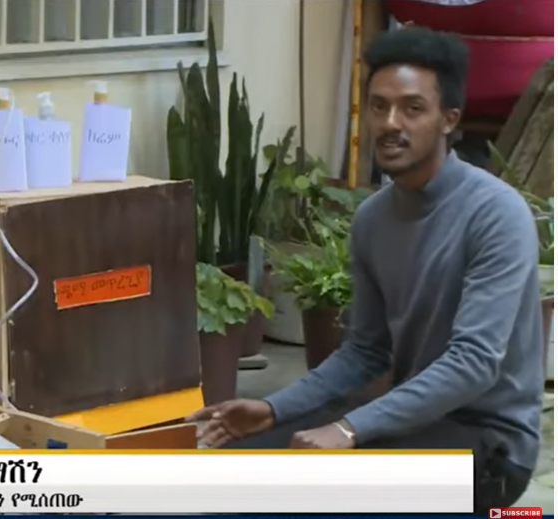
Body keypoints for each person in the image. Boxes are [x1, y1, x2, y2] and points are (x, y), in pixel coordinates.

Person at [187, 26, 543, 512]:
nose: (391, 123)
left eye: (412, 108)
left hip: (489, 446)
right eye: (379, 106)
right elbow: (365, 351)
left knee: (316, 491)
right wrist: (273, 408)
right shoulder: (373, 219)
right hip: (410, 419)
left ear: (449, 120)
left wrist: (348, 429)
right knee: (234, 473)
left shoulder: (496, 214)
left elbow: (473, 363)